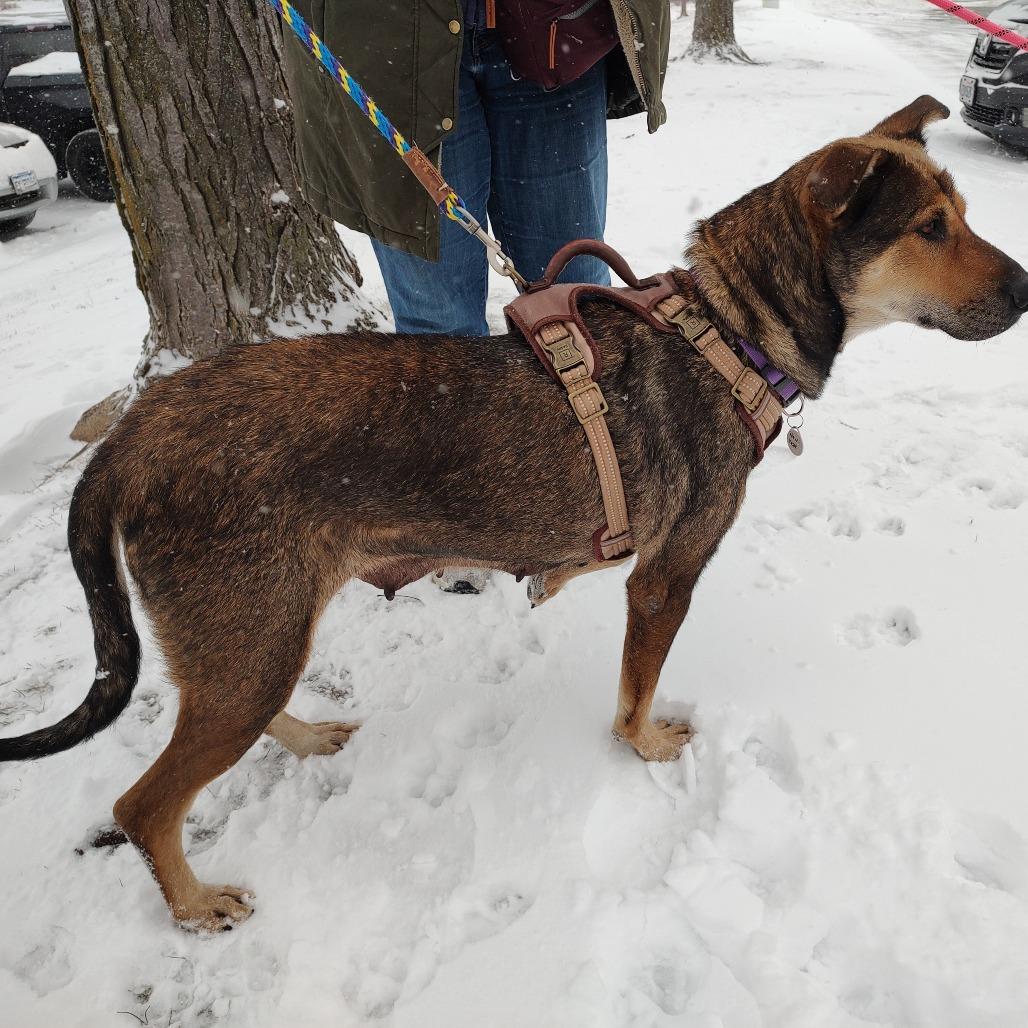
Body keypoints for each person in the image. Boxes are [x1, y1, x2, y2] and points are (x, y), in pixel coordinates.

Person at [283, 1, 671, 591]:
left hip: (556, 28)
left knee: (577, 305)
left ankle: (588, 490)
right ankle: (459, 512)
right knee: (436, 328)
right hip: (386, 38)